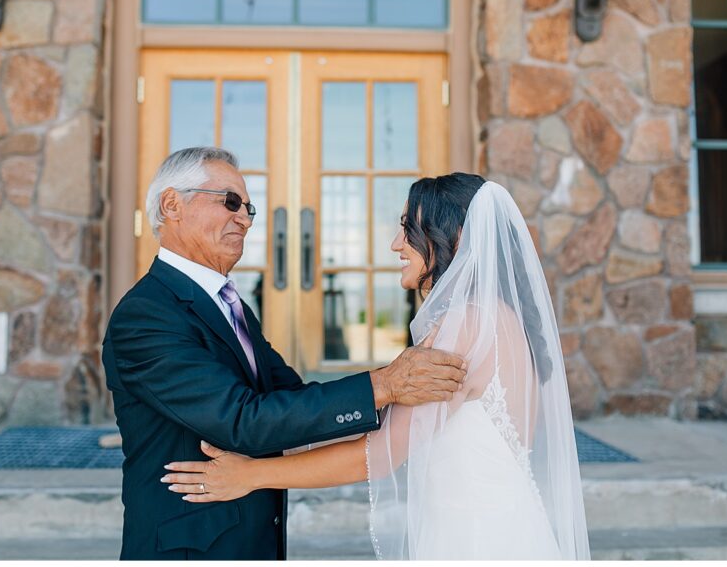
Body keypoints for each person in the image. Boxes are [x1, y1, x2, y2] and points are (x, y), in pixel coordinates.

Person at [161, 173, 590, 560]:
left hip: (475, 540)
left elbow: (380, 454)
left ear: (453, 237)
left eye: (408, 229)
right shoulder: (500, 318)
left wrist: (251, 475)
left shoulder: (466, 325)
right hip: (509, 527)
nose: (396, 244)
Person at [101, 147, 468, 560]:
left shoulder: (230, 305)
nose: (244, 218)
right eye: (231, 202)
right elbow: (241, 420)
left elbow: (291, 401)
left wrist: (392, 394)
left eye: (248, 207)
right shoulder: (146, 315)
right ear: (172, 205)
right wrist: (384, 385)